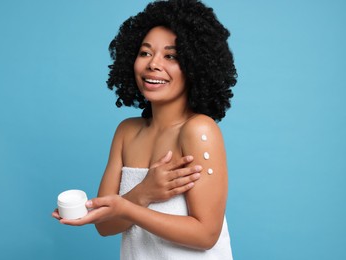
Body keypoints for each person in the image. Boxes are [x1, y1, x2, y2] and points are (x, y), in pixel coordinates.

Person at [53, 0, 237, 259]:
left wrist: (128, 208)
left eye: (171, 56)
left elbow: (206, 235)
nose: (153, 64)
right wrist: (143, 193)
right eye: (145, 52)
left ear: (196, 66)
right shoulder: (126, 132)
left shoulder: (199, 131)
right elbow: (105, 226)